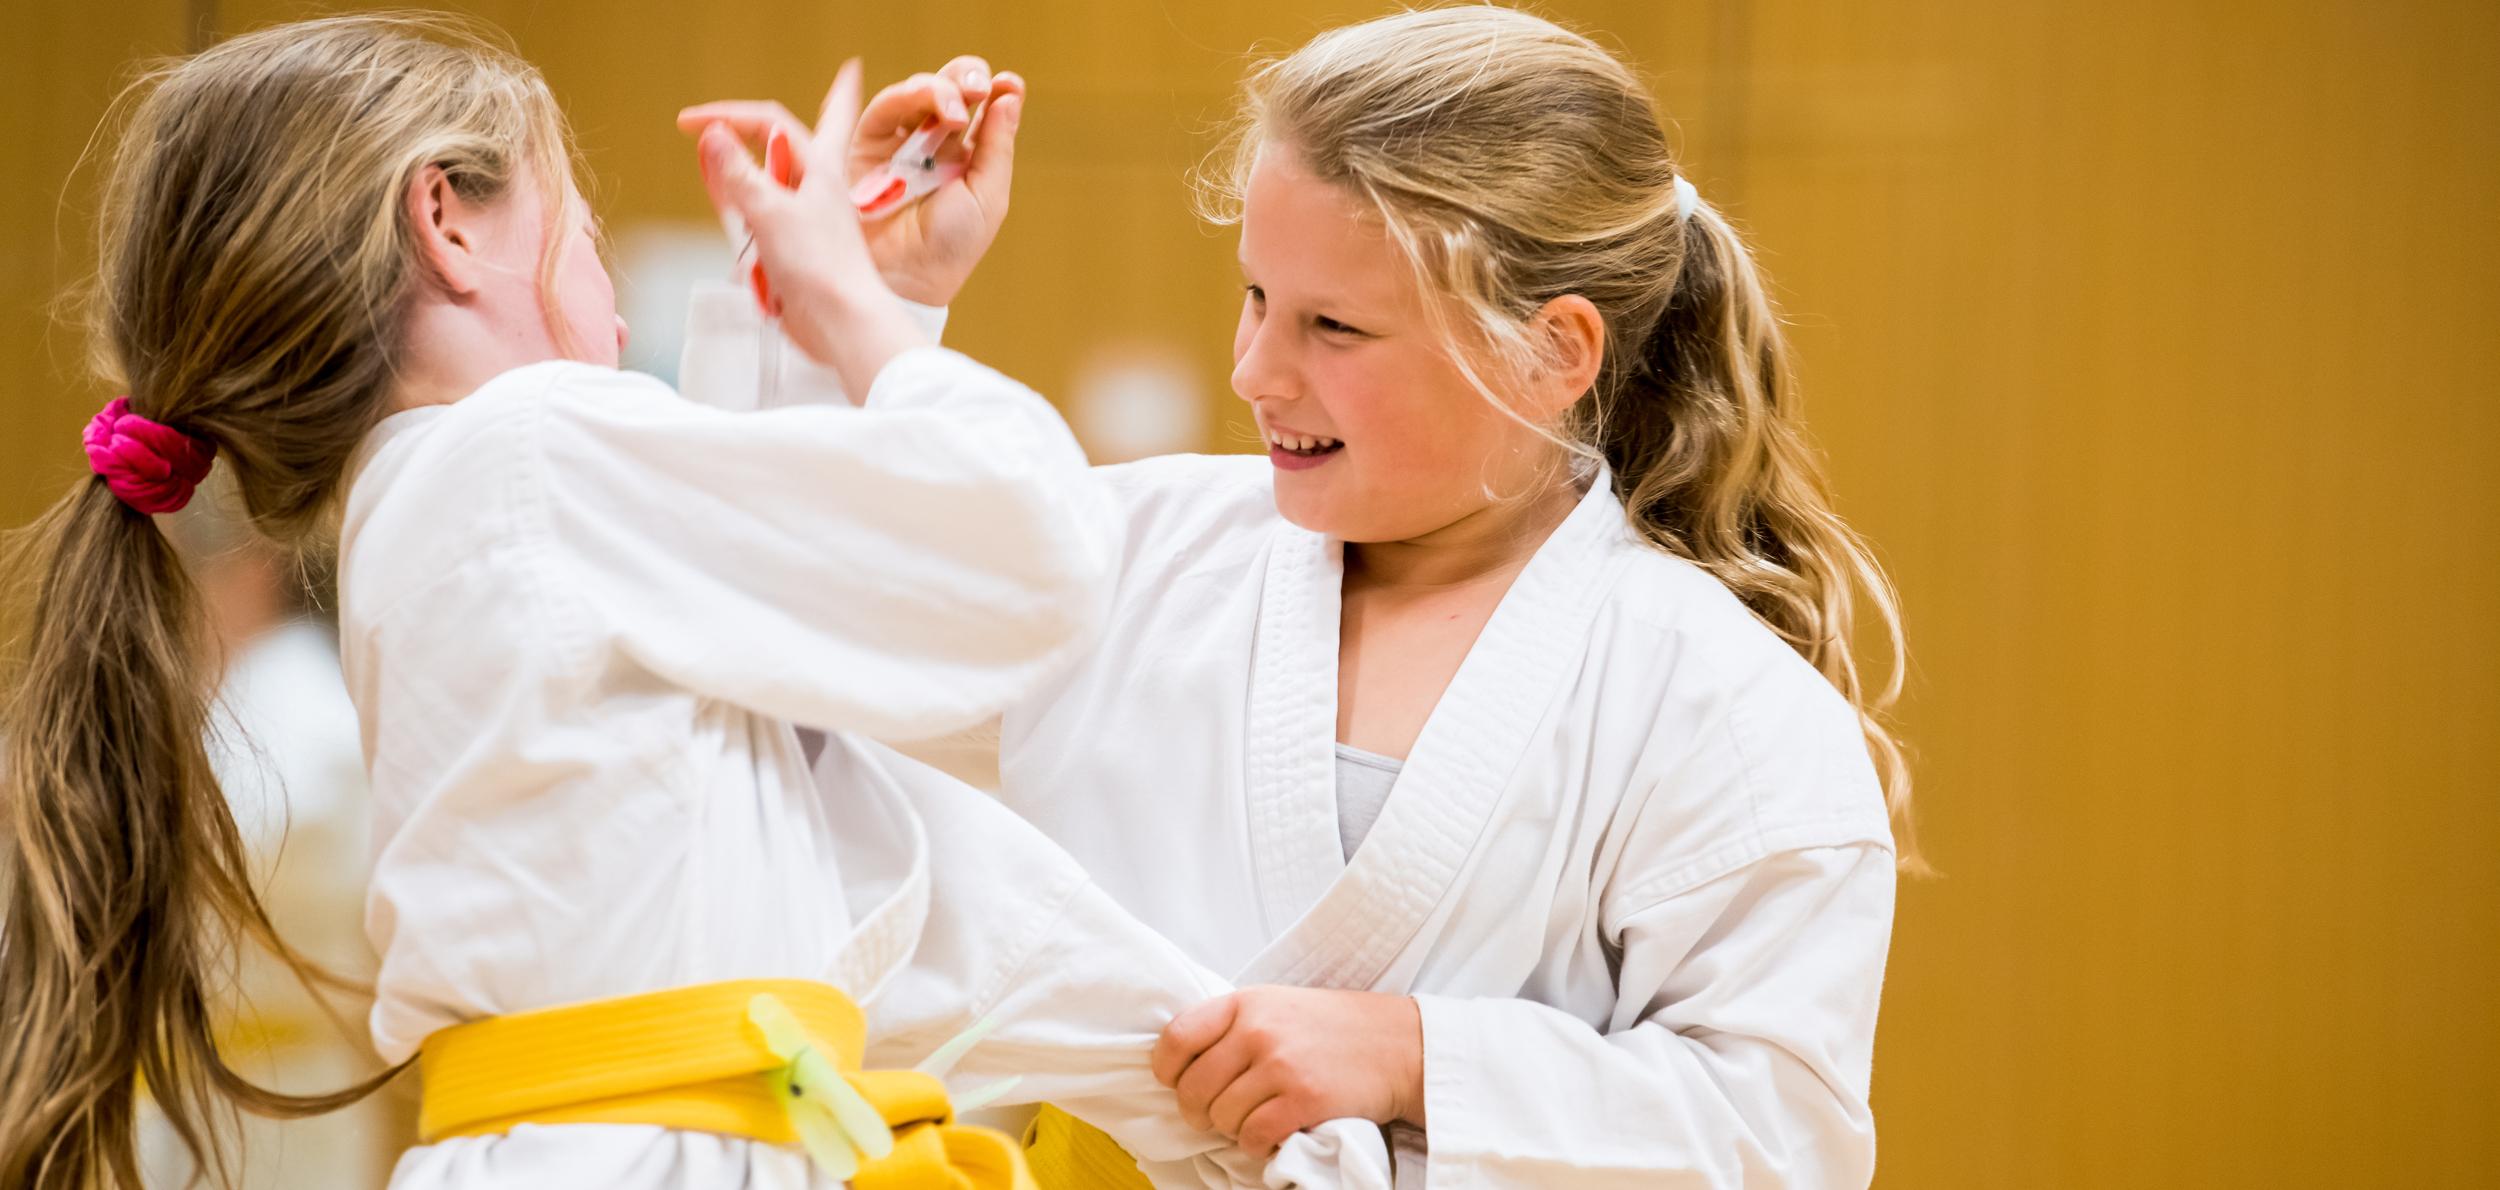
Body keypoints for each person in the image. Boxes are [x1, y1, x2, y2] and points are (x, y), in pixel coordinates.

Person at [0, 16, 1337, 1190]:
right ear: (445, 220)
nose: (604, 280)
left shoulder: (464, 509)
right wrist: (854, 316)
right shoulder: (517, 454)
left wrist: (875, 308)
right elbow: (1031, 551)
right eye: (578, 220)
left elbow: (785, 721)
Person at [779, 8, 1913, 1186]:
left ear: (1553, 350)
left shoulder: (1718, 702)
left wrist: (1423, 1054)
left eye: (1333, 326)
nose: (1254, 369)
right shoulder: (1119, 551)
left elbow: (1785, 1136)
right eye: (1257, 296)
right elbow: (771, 646)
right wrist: (874, 304)